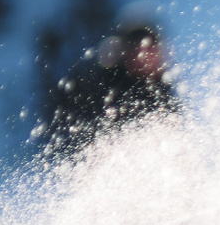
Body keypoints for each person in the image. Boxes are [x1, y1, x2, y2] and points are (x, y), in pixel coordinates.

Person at [38, 11, 180, 158]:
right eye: (137, 49)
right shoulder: (109, 88)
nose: (144, 56)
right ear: (126, 53)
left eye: (150, 48)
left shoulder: (164, 88)